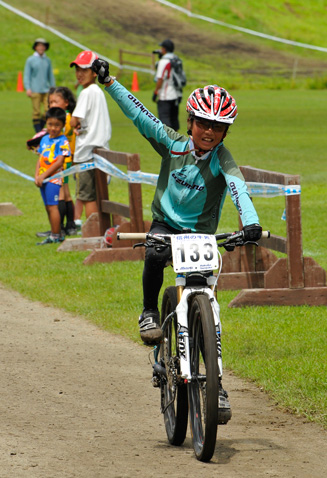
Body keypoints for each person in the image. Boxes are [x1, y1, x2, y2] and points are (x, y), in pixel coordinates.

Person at [93, 59, 262, 420]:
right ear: (190, 122)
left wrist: (251, 224)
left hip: (201, 236)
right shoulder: (173, 144)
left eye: (219, 126)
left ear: (225, 132)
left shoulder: (223, 159)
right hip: (166, 225)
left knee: (208, 312)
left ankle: (216, 382)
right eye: (203, 123)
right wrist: (110, 83)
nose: (209, 132)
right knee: (153, 252)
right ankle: (149, 312)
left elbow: (239, 189)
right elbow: (140, 116)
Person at [69, 51, 112, 224]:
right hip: (101, 150)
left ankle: (92, 231)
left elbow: (73, 120)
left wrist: (75, 123)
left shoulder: (86, 92)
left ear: (94, 72)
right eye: (77, 69)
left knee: (88, 197)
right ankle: (98, 228)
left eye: (84, 70)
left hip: (87, 151)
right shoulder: (99, 92)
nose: (79, 74)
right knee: (99, 194)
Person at [34, 107, 70, 245]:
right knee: (48, 206)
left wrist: (44, 176)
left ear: (62, 126)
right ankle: (54, 233)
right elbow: (40, 158)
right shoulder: (43, 139)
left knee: (53, 206)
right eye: (50, 124)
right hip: (43, 178)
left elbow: (59, 161)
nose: (53, 128)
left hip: (53, 179)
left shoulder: (63, 141)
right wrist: (37, 175)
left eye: (57, 125)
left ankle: (56, 235)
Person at [48, 86, 79, 236]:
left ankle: (58, 227)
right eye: (50, 102)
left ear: (66, 103)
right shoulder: (66, 117)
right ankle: (70, 225)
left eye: (55, 101)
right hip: (67, 158)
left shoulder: (65, 119)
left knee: (60, 192)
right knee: (65, 192)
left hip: (62, 159)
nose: (52, 105)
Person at [24, 38, 55, 133]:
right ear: (35, 47)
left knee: (48, 110)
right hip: (35, 89)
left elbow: (50, 75)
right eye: (39, 46)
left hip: (46, 89)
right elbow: (27, 74)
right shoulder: (30, 60)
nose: (41, 48)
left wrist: (53, 88)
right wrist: (28, 87)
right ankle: (38, 131)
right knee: (36, 111)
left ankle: (40, 129)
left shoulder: (47, 60)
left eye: (43, 46)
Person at [153, 39, 181, 130]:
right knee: (174, 120)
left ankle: (168, 141)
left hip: (165, 95)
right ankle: (177, 141)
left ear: (164, 49)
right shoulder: (177, 59)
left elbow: (160, 79)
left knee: (164, 119)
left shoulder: (163, 61)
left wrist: (156, 91)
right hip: (176, 94)